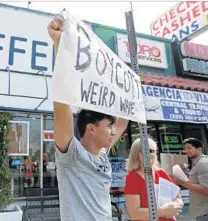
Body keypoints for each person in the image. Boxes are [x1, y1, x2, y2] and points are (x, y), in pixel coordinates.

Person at [48, 14, 129, 221]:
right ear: (91, 128)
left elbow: (123, 120)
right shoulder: (72, 155)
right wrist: (60, 45)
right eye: (108, 126)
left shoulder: (102, 152)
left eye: (112, 127)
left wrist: (130, 91)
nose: (114, 131)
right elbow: (62, 103)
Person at [124, 138, 184, 221]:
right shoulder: (132, 178)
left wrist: (174, 206)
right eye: (144, 151)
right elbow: (135, 214)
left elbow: (178, 198)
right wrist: (163, 211)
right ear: (136, 154)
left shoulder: (161, 173)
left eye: (152, 151)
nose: (149, 154)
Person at [171, 138, 208, 221]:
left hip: (207, 212)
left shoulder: (203, 164)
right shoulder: (197, 163)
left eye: (189, 148)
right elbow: (196, 182)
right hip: (202, 211)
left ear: (199, 149)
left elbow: (207, 189)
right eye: (185, 148)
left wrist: (181, 182)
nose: (186, 151)